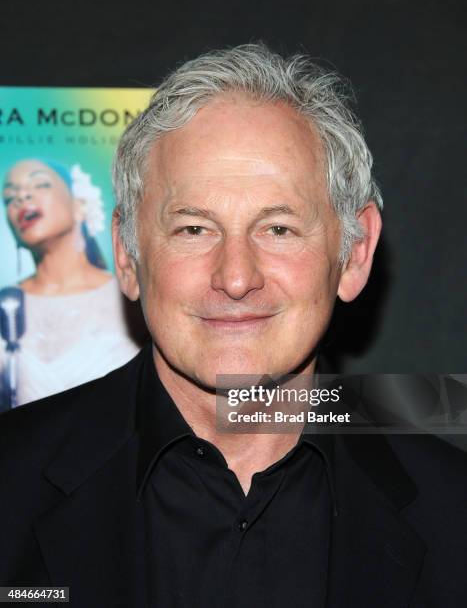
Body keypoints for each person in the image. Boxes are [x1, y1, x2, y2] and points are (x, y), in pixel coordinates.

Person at [0, 44, 466, 607]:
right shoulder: (10, 482)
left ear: (355, 251)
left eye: (278, 229)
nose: (237, 278)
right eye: (194, 229)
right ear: (127, 254)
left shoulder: (454, 514)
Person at [0, 159, 141, 408]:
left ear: (80, 205)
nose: (22, 197)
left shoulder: (135, 297)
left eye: (40, 184)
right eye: (10, 198)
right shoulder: (6, 307)